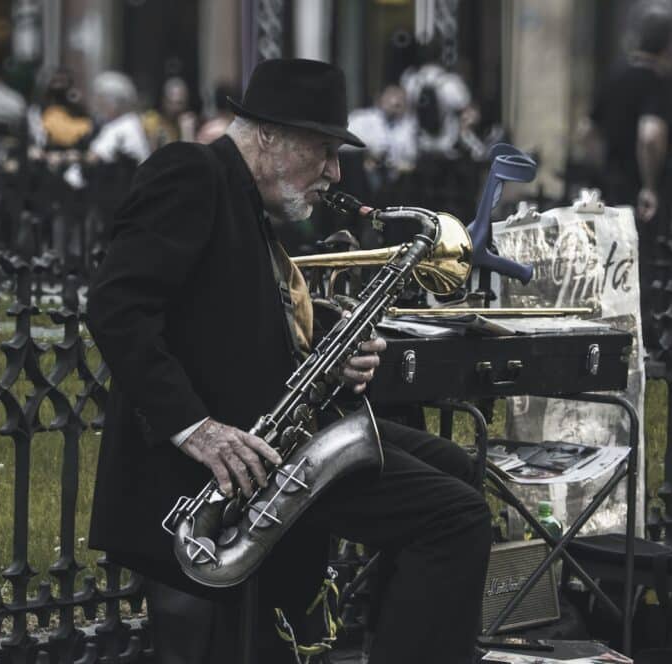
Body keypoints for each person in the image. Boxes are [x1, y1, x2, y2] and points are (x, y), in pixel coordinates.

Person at [86, 58, 492, 664]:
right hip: (223, 468)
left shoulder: (251, 202)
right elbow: (117, 308)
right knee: (456, 518)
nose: (334, 172)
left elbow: (235, 316)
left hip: (271, 441)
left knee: (456, 468)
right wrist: (197, 429)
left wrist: (337, 358)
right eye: (324, 150)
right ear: (268, 134)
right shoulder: (191, 172)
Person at [587, 6, 672, 225]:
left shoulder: (614, 78)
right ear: (669, 46)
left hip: (610, 192)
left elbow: (587, 130)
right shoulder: (660, 83)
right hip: (643, 201)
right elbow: (650, 136)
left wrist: (604, 167)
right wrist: (649, 187)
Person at [347, 84, 418, 190]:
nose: (395, 101)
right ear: (380, 99)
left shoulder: (409, 125)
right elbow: (346, 141)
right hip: (362, 174)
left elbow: (411, 156)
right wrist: (370, 149)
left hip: (395, 179)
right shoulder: (362, 118)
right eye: (391, 95)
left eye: (400, 98)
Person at [87, 70, 150, 163]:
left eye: (101, 101)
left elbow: (93, 158)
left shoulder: (124, 126)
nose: (97, 106)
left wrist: (65, 157)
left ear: (113, 103)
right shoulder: (126, 122)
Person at [141, 76, 197, 151]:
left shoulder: (187, 121)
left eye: (179, 103)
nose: (175, 107)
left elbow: (191, 155)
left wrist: (187, 132)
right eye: (171, 102)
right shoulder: (152, 120)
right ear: (163, 100)